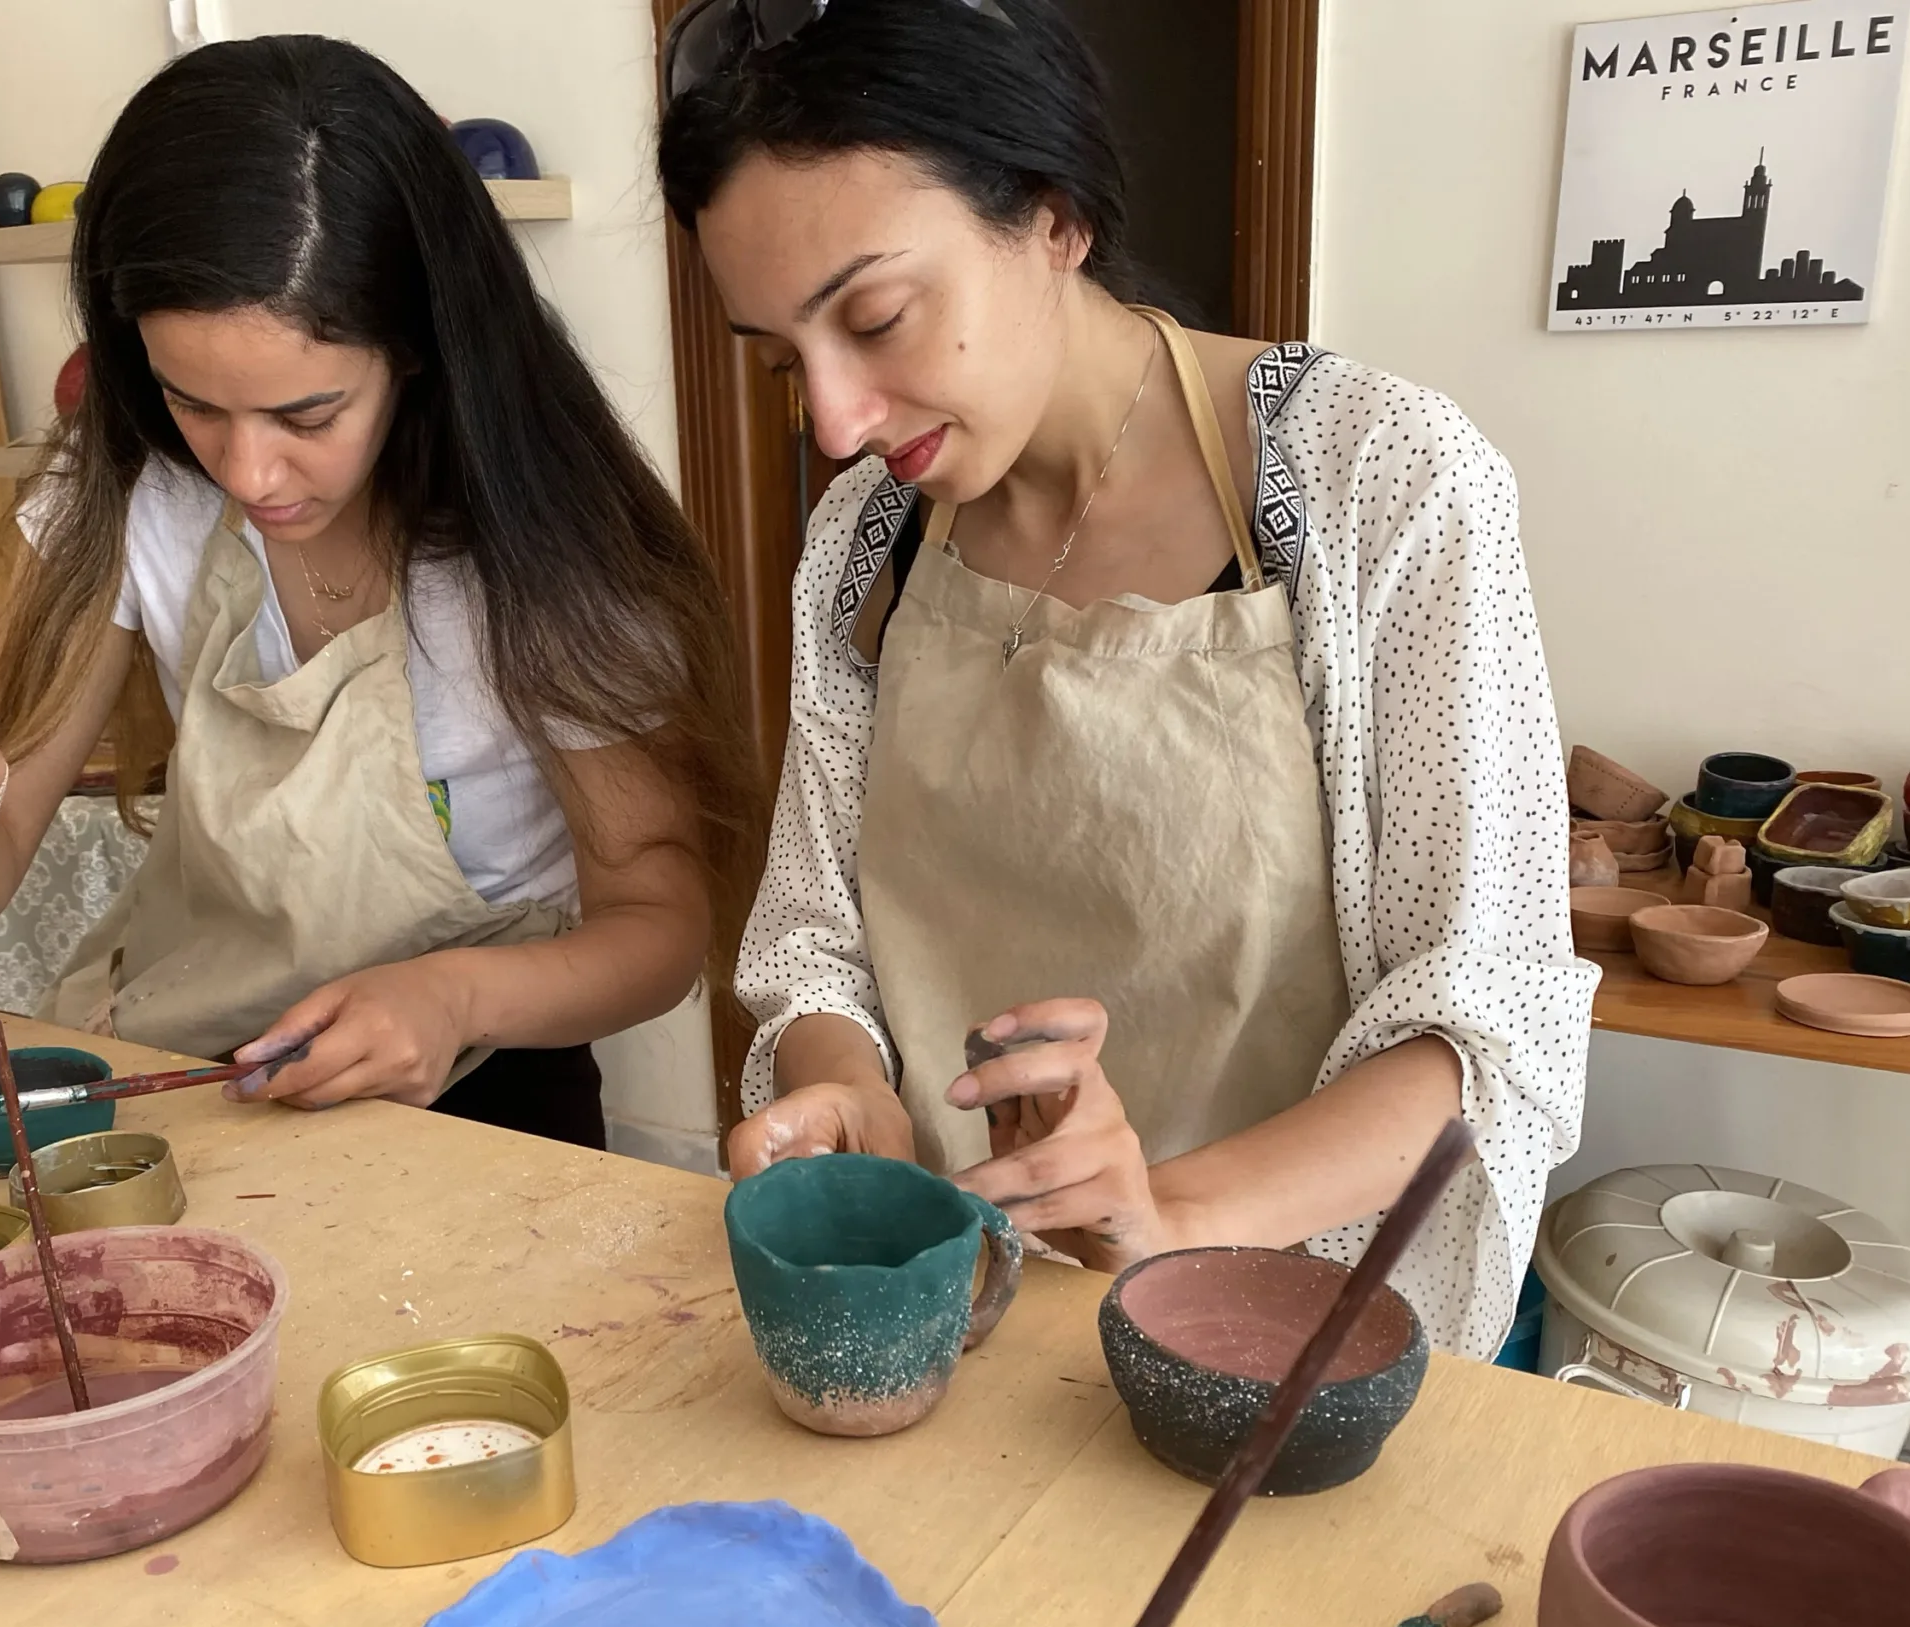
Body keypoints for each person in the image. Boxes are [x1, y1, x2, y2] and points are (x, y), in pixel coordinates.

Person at [658, 0, 1596, 1353]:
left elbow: (1484, 1031)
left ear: (1053, 218)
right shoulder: (866, 539)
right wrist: (847, 1086)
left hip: (1274, 1329)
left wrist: (1160, 1210)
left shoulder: (1379, 479)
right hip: (949, 1299)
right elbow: (813, 936)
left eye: (876, 317)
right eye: (776, 361)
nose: (835, 421)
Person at [0, 36, 758, 1149]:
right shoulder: (130, 494)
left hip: (482, 1077)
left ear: (419, 352)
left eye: (308, 415)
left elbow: (658, 930)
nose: (248, 476)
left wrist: (452, 997)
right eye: (193, 403)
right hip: (191, 1065)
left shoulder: (547, 551)